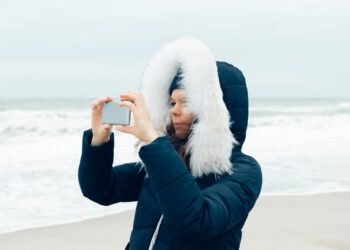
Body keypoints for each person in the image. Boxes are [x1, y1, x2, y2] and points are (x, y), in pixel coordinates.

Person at [78, 36, 263, 250]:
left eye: (185, 102)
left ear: (215, 110)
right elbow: (100, 188)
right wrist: (98, 143)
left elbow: (195, 221)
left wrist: (155, 143)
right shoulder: (166, 160)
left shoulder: (243, 172)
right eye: (172, 102)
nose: (173, 110)